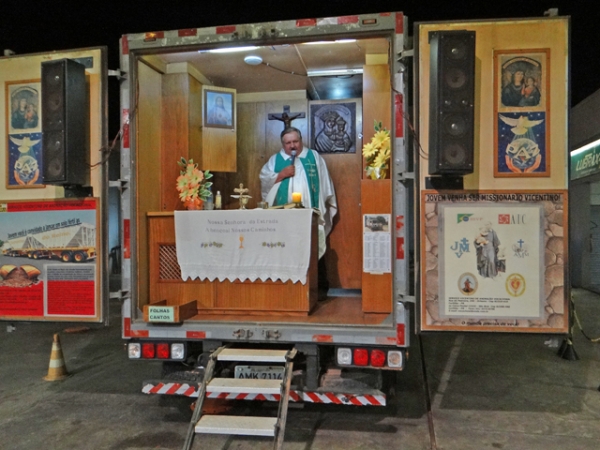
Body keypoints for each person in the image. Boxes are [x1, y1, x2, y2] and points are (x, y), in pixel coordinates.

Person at [259, 127, 337, 259]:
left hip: (310, 213)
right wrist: (281, 174)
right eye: (288, 143)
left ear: (301, 140)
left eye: (295, 141)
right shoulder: (275, 160)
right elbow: (264, 180)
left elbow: (325, 182)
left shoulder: (313, 157)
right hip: (283, 215)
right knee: (286, 249)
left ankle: (313, 276)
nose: (292, 145)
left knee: (310, 249)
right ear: (283, 144)